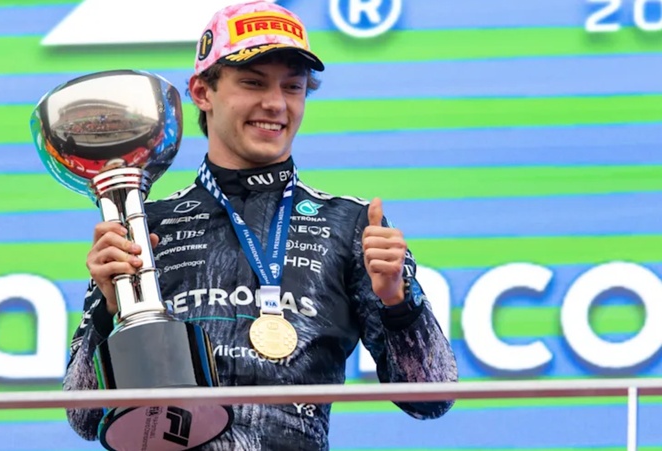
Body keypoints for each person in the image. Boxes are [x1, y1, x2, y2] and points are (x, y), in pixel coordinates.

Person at [63, 1, 458, 450]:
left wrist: (398, 303)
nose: (275, 103)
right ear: (202, 92)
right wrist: (109, 312)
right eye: (253, 83)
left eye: (293, 87)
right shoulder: (146, 227)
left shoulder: (351, 224)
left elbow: (432, 397)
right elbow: (84, 416)